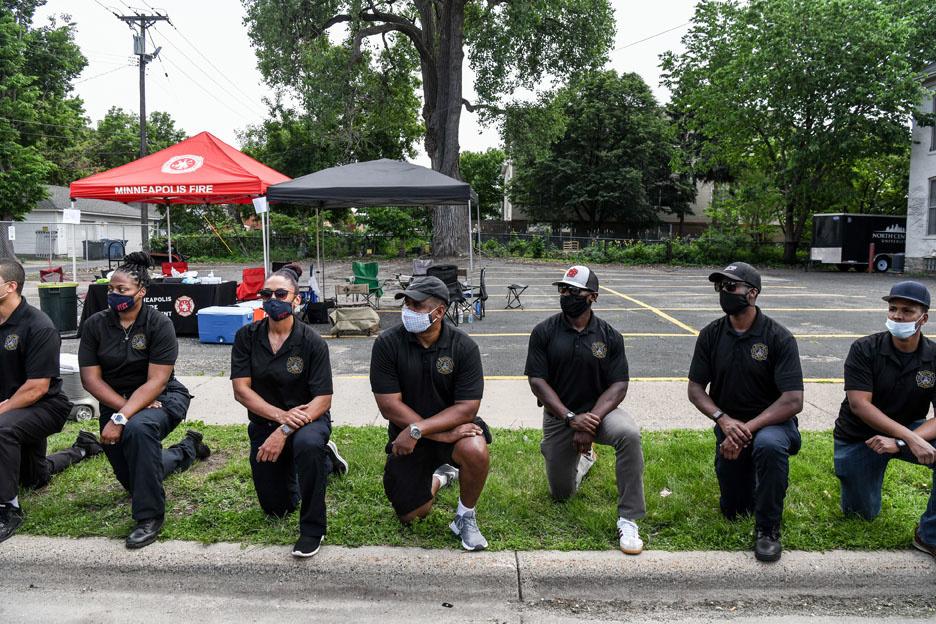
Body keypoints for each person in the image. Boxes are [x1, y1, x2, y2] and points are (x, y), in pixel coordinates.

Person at [78, 252, 210, 549]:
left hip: (161, 398)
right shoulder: (95, 324)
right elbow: (91, 380)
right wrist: (124, 408)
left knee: (138, 431)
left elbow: (157, 381)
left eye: (121, 290)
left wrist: (124, 416)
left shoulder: (158, 324)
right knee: (138, 477)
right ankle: (188, 447)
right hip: (119, 402)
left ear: (142, 292)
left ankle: (149, 518)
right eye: (110, 289)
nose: (114, 295)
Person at [524, 265, 646, 554]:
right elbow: (537, 381)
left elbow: (618, 386)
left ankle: (629, 518)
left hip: (600, 414)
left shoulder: (610, 336)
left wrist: (590, 421)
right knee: (562, 494)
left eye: (574, 291)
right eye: (563, 290)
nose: (566, 295)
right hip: (560, 416)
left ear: (592, 296)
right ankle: (579, 457)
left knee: (629, 434)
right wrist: (570, 418)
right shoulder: (544, 332)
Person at [687, 262, 803, 562]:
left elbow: (792, 400)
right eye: (720, 287)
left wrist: (746, 429)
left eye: (731, 287)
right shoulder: (711, 335)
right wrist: (723, 420)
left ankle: (768, 529)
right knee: (734, 510)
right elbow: (696, 389)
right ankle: (753, 484)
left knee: (768, 447)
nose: (723, 292)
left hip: (773, 424)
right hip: (729, 425)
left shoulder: (779, 337)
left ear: (752, 293)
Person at [231, 263, 348, 558]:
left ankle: (313, 529)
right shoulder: (247, 337)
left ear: (296, 299)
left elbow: (323, 399)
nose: (273, 299)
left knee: (307, 444)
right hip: (267, 421)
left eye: (281, 293)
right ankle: (326, 463)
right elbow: (241, 390)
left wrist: (286, 428)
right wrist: (280, 418)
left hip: (308, 420)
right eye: (266, 293)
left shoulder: (312, 342)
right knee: (277, 508)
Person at [370, 276, 491, 550]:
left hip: (444, 431)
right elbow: (389, 405)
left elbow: (467, 408)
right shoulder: (387, 344)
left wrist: (422, 430)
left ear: (439, 312)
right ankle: (442, 476)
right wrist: (437, 434)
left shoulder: (464, 347)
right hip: (409, 435)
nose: (408, 311)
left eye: (417, 305)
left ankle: (465, 517)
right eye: (407, 304)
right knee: (411, 516)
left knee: (475, 447)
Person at [0, 260, 103, 543]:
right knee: (35, 477)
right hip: (11, 407)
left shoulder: (38, 326)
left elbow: (36, 388)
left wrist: (3, 409)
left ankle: (7, 508)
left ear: (10, 287)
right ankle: (83, 448)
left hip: (45, 405)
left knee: (2, 429)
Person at [833, 281, 936, 558]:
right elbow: (860, 405)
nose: (897, 316)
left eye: (907, 311)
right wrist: (911, 439)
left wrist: (901, 442)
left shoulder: (934, 356)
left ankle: (929, 535)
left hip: (905, 433)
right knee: (861, 515)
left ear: (923, 318)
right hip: (858, 438)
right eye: (892, 309)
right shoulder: (865, 349)